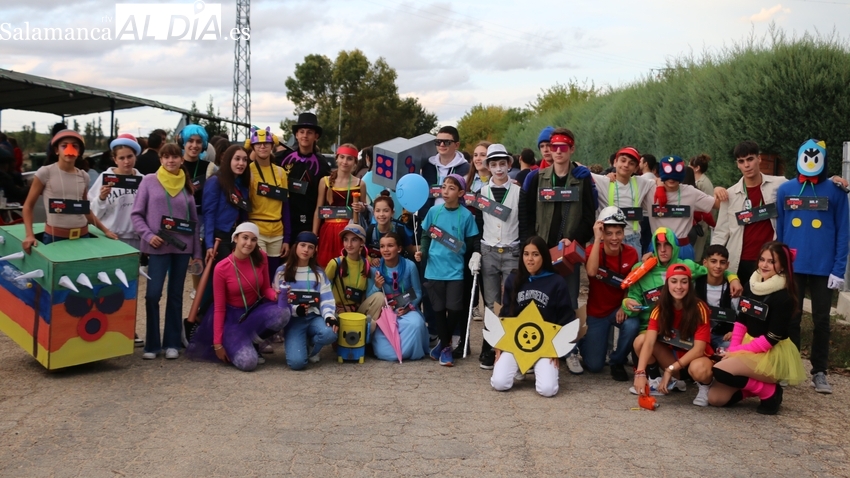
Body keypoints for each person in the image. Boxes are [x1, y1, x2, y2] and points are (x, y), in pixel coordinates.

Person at [518, 127, 595, 375]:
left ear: (572, 149)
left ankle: (569, 351)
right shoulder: (536, 177)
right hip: (541, 251)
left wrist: (573, 241)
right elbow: (527, 214)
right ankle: (533, 351)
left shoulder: (582, 178)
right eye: (554, 146)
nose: (558, 151)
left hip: (567, 255)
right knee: (533, 300)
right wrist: (530, 245)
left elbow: (588, 216)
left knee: (569, 302)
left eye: (564, 146)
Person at [776, 139, 849, 394]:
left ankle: (819, 371)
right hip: (793, 266)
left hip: (824, 268)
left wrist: (838, 269)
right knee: (791, 318)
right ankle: (791, 366)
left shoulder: (837, 191)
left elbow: (843, 232)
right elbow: (781, 229)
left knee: (821, 320)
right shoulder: (785, 190)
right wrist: (780, 263)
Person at [624, 227, 742, 377]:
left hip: (680, 327)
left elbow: (715, 268)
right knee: (641, 341)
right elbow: (633, 295)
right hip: (650, 325)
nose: (663, 250)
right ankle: (654, 377)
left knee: (705, 358)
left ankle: (694, 377)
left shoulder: (687, 266)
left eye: (667, 245)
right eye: (658, 245)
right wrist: (627, 302)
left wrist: (733, 278)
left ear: (674, 245)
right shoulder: (640, 269)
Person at [709, 242, 806, 414]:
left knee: (719, 370)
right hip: (749, 346)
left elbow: (771, 339)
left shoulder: (785, 296)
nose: (764, 265)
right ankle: (754, 388)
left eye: (771, 261)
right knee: (715, 399)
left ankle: (770, 391)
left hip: (771, 353)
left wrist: (737, 354)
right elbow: (741, 322)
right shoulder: (752, 284)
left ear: (782, 264)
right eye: (762, 260)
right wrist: (733, 349)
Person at [185, 222, 290, 371]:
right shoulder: (222, 267)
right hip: (231, 319)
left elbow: (266, 288)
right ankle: (239, 343)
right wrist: (218, 344)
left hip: (253, 312)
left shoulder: (261, 257)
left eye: (253, 239)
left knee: (284, 312)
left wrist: (276, 295)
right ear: (235, 238)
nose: (249, 243)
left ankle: (253, 341)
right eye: (245, 238)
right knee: (249, 363)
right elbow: (219, 308)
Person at [131, 143, 202, 360]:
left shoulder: (186, 185)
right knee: (152, 295)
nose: (170, 161)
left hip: (182, 249)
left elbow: (194, 222)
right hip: (158, 247)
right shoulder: (149, 182)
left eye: (174, 157)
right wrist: (148, 235)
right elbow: (136, 214)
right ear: (160, 160)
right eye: (166, 157)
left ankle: (172, 342)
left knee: (175, 296)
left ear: (181, 160)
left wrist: (196, 253)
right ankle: (152, 344)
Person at [490, 236, 574, 397]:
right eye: (526, 254)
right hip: (516, 341)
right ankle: (522, 365)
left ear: (544, 256)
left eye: (535, 254)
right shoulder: (514, 279)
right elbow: (505, 313)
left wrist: (556, 350)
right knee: (500, 383)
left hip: (545, 344)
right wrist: (499, 344)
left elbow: (566, 317)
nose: (530, 259)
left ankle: (536, 365)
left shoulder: (556, 281)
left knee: (548, 390)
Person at [415, 174, 479, 367]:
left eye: (451, 188)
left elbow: (471, 241)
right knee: (438, 310)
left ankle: (443, 343)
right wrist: (422, 252)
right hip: (434, 270)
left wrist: (472, 254)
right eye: (443, 187)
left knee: (455, 308)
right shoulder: (434, 211)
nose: (445, 191)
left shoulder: (466, 215)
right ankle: (445, 349)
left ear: (460, 193)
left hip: (456, 271)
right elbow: (425, 236)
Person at [632, 263, 715, 406]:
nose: (679, 287)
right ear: (667, 283)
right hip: (672, 360)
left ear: (690, 285)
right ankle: (656, 379)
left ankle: (705, 385)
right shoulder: (659, 308)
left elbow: (699, 349)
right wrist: (640, 373)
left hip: (695, 361)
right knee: (640, 340)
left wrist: (670, 370)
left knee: (699, 369)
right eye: (674, 281)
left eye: (684, 282)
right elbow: (649, 342)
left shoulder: (699, 308)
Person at [22, 130, 117, 254]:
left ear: (79, 151)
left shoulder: (84, 176)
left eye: (74, 146)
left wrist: (106, 231)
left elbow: (85, 209)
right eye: (64, 145)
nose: (69, 149)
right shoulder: (45, 172)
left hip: (83, 237)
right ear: (56, 150)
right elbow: (28, 206)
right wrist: (30, 235)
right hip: (55, 238)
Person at [712, 142, 786, 294]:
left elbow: (805, 185)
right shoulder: (730, 194)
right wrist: (713, 261)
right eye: (741, 161)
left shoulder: (779, 185)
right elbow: (721, 232)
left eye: (750, 159)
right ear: (737, 164)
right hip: (740, 262)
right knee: (741, 307)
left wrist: (833, 180)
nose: (747, 165)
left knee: (767, 308)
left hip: (769, 261)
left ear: (759, 159)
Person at [475, 144, 522, 370]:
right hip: (489, 251)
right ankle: (489, 346)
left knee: (511, 299)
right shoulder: (481, 194)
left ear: (509, 165)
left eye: (502, 164)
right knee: (491, 300)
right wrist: (477, 251)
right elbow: (478, 223)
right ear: (488, 167)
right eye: (493, 164)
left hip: (512, 250)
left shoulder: (518, 192)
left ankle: (511, 344)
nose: (498, 168)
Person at [580, 207, 640, 381]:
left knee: (632, 324)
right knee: (594, 366)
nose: (614, 238)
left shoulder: (631, 253)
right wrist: (597, 238)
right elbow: (591, 272)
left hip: (617, 309)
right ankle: (583, 341)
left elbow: (632, 284)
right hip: (597, 312)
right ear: (602, 233)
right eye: (609, 233)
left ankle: (617, 360)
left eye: (619, 233)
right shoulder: (593, 250)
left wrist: (624, 304)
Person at [274, 231, 339, 370]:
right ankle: (299, 342)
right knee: (297, 364)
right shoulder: (282, 272)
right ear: (295, 246)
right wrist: (295, 309)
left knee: (330, 332)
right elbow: (278, 301)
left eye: (310, 247)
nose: (306, 250)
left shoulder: (319, 273)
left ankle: (311, 346)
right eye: (302, 245)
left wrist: (329, 316)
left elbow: (326, 298)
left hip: (314, 317)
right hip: (294, 320)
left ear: (314, 251)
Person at [367, 232, 430, 361]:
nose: (386, 250)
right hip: (385, 313)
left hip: (406, 309)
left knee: (416, 324)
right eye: (382, 246)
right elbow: (369, 298)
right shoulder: (376, 269)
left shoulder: (409, 266)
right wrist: (377, 286)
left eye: (390, 246)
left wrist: (408, 308)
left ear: (399, 248)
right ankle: (395, 352)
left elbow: (418, 292)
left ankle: (407, 351)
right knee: (385, 352)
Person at [649, 155, 721, 261]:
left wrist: (718, 190)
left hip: (682, 249)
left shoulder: (690, 192)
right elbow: (630, 182)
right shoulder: (650, 189)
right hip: (659, 247)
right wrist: (614, 176)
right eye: (668, 175)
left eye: (675, 175)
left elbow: (717, 204)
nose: (672, 179)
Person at [246, 126, 292, 281]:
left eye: (266, 143)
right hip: (257, 229)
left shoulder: (280, 172)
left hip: (277, 231)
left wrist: (287, 238)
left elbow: (285, 206)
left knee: (273, 275)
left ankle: (270, 305)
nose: (262, 146)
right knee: (258, 274)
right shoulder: (248, 170)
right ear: (252, 146)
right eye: (258, 144)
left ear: (273, 145)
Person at [590, 146, 654, 254]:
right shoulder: (603, 181)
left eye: (631, 163)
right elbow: (576, 167)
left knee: (634, 271)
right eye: (623, 160)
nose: (626, 165)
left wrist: (661, 184)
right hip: (608, 239)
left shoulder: (642, 182)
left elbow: (659, 180)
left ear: (636, 168)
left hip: (633, 239)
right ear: (615, 162)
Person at [279, 112, 331, 240]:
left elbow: (325, 197)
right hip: (284, 218)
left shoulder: (322, 164)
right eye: (301, 132)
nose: (305, 136)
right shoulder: (283, 158)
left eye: (309, 132)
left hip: (308, 221)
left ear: (316, 136)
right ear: (296, 135)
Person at [313, 144, 367, 268]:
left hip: (349, 233)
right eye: (342, 157)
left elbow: (365, 211)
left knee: (346, 267)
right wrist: (314, 236)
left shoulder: (360, 184)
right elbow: (318, 210)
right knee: (325, 267)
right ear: (336, 158)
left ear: (355, 162)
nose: (345, 162)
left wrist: (362, 208)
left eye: (349, 158)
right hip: (328, 230)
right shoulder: (325, 181)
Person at [88, 134, 144, 249]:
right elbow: (92, 214)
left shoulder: (143, 180)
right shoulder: (105, 178)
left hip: (135, 238)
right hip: (109, 237)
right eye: (121, 158)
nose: (126, 161)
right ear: (115, 159)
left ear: (136, 156)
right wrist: (101, 199)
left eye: (130, 156)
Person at [324, 223, 384, 319]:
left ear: (362, 242)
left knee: (379, 296)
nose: (349, 244)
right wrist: (333, 308)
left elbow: (367, 294)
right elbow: (322, 290)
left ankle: (366, 328)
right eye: (346, 240)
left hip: (358, 310)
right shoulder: (335, 263)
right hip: (338, 310)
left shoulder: (367, 263)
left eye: (354, 240)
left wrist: (377, 286)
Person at [179, 124, 211, 300]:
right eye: (190, 140)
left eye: (199, 141)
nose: (194, 145)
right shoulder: (174, 164)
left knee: (200, 257)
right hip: (179, 218)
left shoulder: (210, 167)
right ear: (183, 143)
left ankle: (198, 292)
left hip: (202, 218)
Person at [696, 245, 738, 351]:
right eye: (713, 261)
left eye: (722, 262)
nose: (718, 266)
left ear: (727, 265)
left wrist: (735, 332)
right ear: (705, 263)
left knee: (731, 351)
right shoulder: (695, 283)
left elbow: (742, 316)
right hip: (697, 335)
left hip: (723, 336)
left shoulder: (733, 288)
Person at [365, 190, 415, 267]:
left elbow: (411, 249)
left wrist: (425, 248)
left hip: (398, 270)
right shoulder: (371, 230)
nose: (381, 214)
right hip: (377, 272)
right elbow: (364, 251)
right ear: (373, 212)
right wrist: (371, 259)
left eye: (386, 211)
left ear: (392, 212)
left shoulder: (399, 230)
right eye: (378, 211)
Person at [689, 154, 715, 260]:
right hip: (696, 222)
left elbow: (709, 206)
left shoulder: (704, 183)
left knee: (696, 252)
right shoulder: (697, 181)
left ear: (697, 168)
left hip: (701, 223)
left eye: (690, 165)